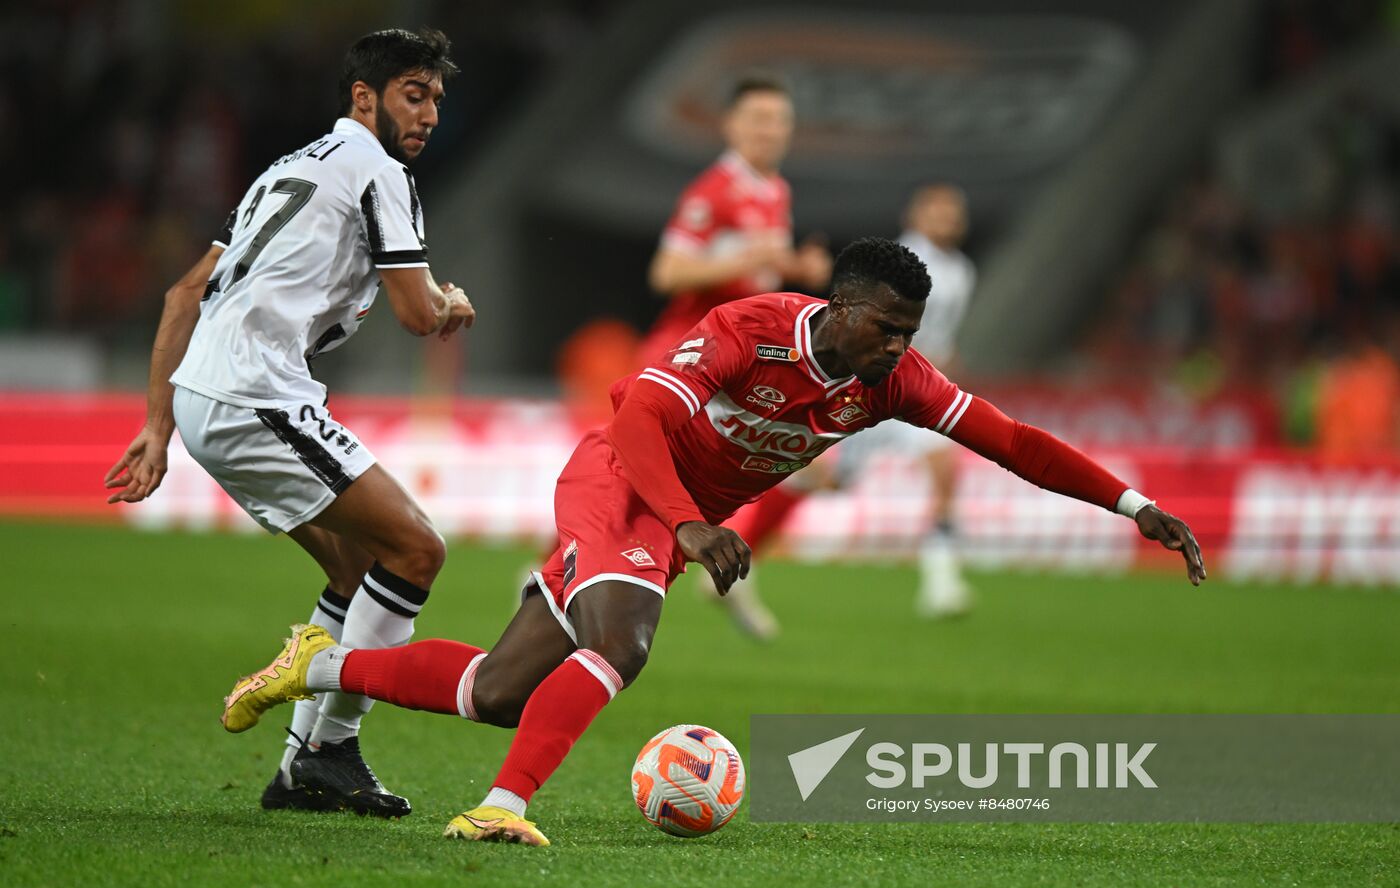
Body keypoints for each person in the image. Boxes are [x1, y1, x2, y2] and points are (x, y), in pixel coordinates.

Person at [220, 238, 1206, 847]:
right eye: (888, 328)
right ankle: (499, 804)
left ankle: (323, 661)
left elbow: (1011, 441)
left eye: (910, 333)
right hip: (617, 478)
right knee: (625, 638)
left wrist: (1130, 502)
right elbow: (642, 420)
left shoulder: (888, 382)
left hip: (675, 516)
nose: (900, 349)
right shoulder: (750, 329)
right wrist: (689, 521)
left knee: (497, 690)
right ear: (843, 306)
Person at [105, 28, 472, 818]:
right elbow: (416, 315)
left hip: (210, 394)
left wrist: (159, 427)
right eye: (415, 94)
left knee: (355, 571)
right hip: (257, 393)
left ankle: (305, 769)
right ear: (363, 98)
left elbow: (182, 297)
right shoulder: (381, 173)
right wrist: (450, 304)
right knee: (416, 550)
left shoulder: (287, 168)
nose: (431, 113)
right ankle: (330, 748)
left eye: (437, 98)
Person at [644, 74, 831, 638]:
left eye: (779, 121)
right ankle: (555, 569)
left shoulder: (774, 190)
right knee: (638, 469)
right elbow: (668, 272)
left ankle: (734, 569)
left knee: (811, 464)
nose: (769, 131)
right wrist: (748, 258)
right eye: (757, 119)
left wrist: (797, 270)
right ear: (731, 124)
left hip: (750, 356)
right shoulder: (713, 191)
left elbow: (759, 274)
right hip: (695, 352)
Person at [844, 184, 979, 615]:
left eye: (953, 211)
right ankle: (747, 534)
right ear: (915, 215)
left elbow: (944, 338)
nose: (947, 218)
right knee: (827, 478)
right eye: (937, 210)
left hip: (915, 390)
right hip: (876, 383)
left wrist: (947, 372)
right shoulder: (900, 261)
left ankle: (941, 584)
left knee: (945, 471)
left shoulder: (961, 271)